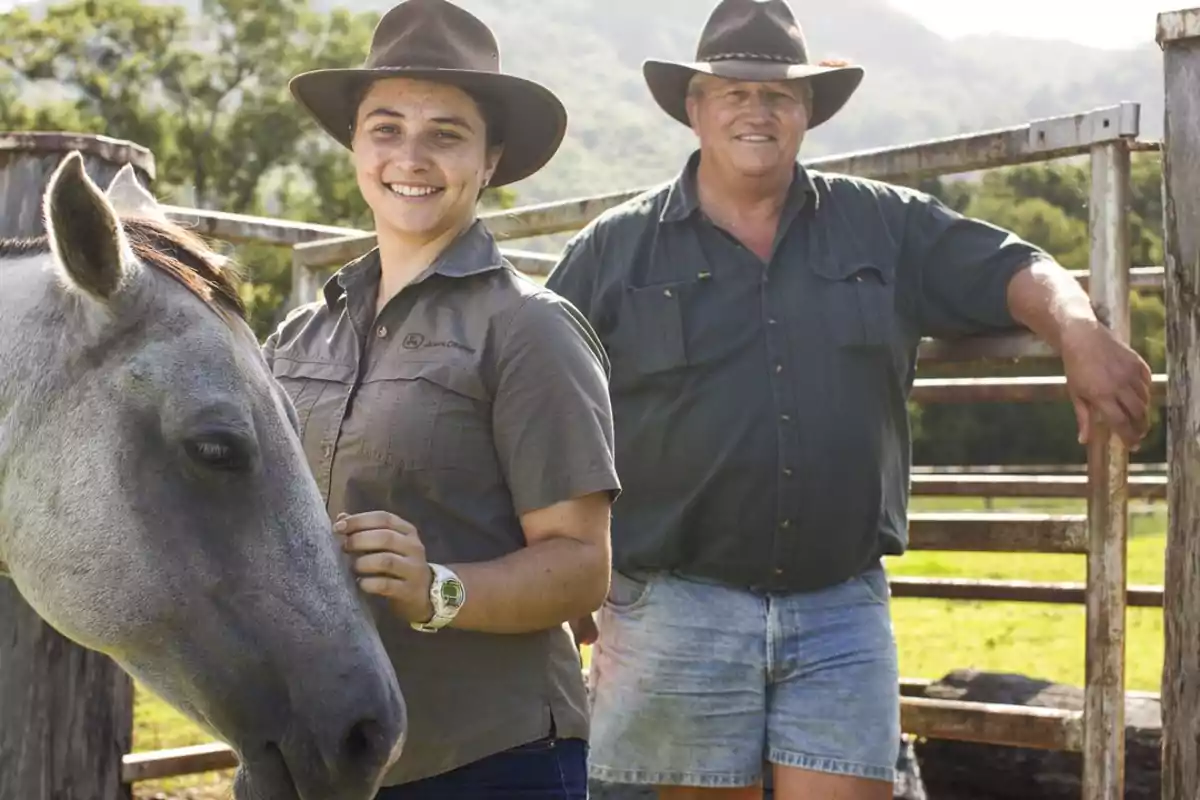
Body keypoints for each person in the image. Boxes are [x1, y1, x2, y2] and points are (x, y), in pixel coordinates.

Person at [544, 0, 1154, 798]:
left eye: (779, 95)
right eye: (733, 91)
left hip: (838, 605)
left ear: (808, 113)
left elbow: (1010, 262)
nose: (756, 111)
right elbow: (543, 396)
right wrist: (562, 559)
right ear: (695, 108)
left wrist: (1077, 329)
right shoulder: (615, 248)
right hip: (675, 603)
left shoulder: (881, 226)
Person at [263, 0, 621, 796]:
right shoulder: (295, 339)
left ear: (490, 161)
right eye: (385, 127)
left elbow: (580, 567)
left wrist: (438, 591)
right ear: (355, 145)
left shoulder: (531, 329)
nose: (410, 155)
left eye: (446, 134)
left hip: (488, 759)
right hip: (312, 754)